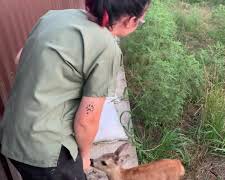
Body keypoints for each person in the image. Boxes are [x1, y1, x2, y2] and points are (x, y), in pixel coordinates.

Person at [0, 0, 150, 179]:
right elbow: (86, 121)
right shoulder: (107, 48)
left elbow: (19, 59)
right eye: (141, 21)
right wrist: (85, 158)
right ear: (130, 20)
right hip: (45, 153)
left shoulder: (54, 17)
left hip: (11, 133)